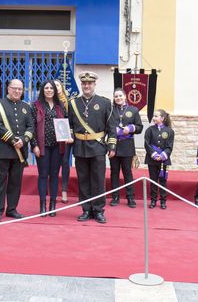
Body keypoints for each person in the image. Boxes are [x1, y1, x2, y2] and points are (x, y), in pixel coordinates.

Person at [67, 71, 117, 224]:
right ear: (81, 84)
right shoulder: (73, 103)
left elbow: (111, 126)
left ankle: (99, 210)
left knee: (98, 180)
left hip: (98, 147)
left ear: (95, 84)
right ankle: (86, 209)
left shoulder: (104, 102)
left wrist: (112, 145)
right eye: (84, 83)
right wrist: (68, 137)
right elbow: (69, 124)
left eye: (89, 83)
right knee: (83, 180)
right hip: (80, 147)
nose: (87, 86)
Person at [0, 79, 34, 222]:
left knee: (16, 182)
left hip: (19, 152)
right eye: (14, 88)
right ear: (8, 89)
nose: (17, 91)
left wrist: (24, 140)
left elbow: (30, 127)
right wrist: (13, 140)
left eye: (20, 89)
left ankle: (12, 209)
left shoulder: (26, 107)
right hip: (3, 150)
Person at [30, 80, 67, 218]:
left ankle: (52, 205)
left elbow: (66, 123)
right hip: (42, 146)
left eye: (51, 88)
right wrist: (34, 145)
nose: (49, 90)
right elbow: (31, 126)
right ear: (42, 90)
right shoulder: (36, 105)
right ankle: (43, 206)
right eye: (46, 88)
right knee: (43, 175)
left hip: (58, 146)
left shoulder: (60, 106)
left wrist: (68, 135)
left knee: (54, 175)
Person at [109, 88, 143, 207]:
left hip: (127, 146)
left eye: (120, 96)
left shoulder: (133, 110)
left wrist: (131, 128)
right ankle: (115, 197)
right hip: (113, 145)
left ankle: (130, 197)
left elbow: (140, 127)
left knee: (127, 172)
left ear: (125, 96)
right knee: (114, 172)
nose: (118, 98)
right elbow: (106, 125)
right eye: (116, 96)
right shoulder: (110, 110)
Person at [144, 109, 174, 209]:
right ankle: (153, 200)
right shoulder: (150, 130)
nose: (154, 118)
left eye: (156, 116)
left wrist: (163, 155)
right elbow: (147, 144)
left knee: (163, 180)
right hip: (152, 159)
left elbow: (169, 146)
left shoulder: (169, 131)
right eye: (154, 116)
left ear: (162, 118)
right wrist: (154, 154)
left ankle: (163, 200)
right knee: (153, 180)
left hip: (163, 160)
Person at [54, 79, 72, 204]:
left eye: (58, 85)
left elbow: (72, 119)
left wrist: (69, 134)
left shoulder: (69, 103)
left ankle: (64, 190)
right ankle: (53, 190)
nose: (56, 87)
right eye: (53, 85)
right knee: (54, 163)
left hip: (66, 136)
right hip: (52, 136)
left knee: (65, 162)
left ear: (62, 87)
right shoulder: (49, 101)